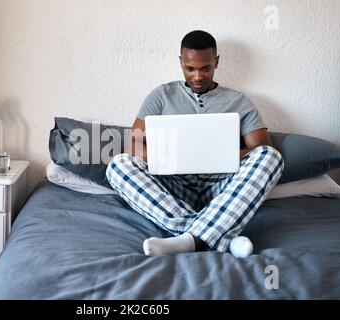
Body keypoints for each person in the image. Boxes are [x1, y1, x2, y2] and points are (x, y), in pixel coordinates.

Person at [106, 30, 284, 256]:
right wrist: (176, 158)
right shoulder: (161, 96)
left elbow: (262, 150)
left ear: (216, 62)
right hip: (173, 187)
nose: (198, 76)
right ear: (181, 62)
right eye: (190, 69)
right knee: (119, 164)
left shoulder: (239, 101)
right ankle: (224, 238)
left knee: (272, 157)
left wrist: (219, 154)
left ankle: (189, 239)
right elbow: (133, 146)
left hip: (223, 188)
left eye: (205, 68)